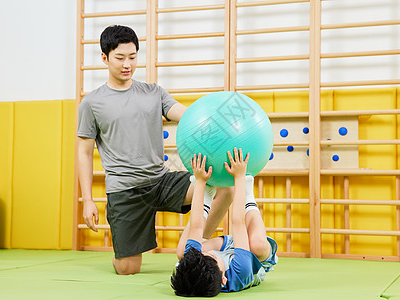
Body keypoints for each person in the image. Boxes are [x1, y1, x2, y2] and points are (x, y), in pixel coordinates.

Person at [77, 25, 232, 275]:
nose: (127, 64)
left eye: (133, 56)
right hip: (125, 191)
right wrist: (87, 200)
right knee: (127, 268)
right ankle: (122, 247)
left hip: (161, 181)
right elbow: (84, 152)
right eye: (120, 58)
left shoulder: (153, 92)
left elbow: (187, 116)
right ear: (104, 58)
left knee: (226, 187)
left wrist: (216, 121)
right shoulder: (92, 103)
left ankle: (193, 245)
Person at [171, 148, 278, 296]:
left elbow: (196, 227)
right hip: (252, 257)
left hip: (227, 247)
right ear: (223, 279)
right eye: (214, 256)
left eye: (205, 254)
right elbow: (238, 222)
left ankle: (208, 196)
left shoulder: (194, 263)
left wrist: (200, 182)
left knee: (183, 252)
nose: (208, 253)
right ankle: (249, 196)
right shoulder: (241, 270)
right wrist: (239, 178)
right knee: (258, 245)